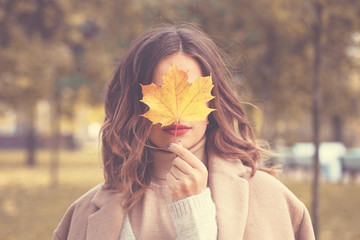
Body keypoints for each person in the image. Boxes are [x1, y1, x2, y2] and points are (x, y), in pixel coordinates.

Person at [53, 25, 315, 240]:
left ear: (213, 101)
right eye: (158, 93)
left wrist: (194, 216)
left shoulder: (272, 201)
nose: (176, 110)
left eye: (191, 93)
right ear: (133, 102)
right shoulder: (82, 215)